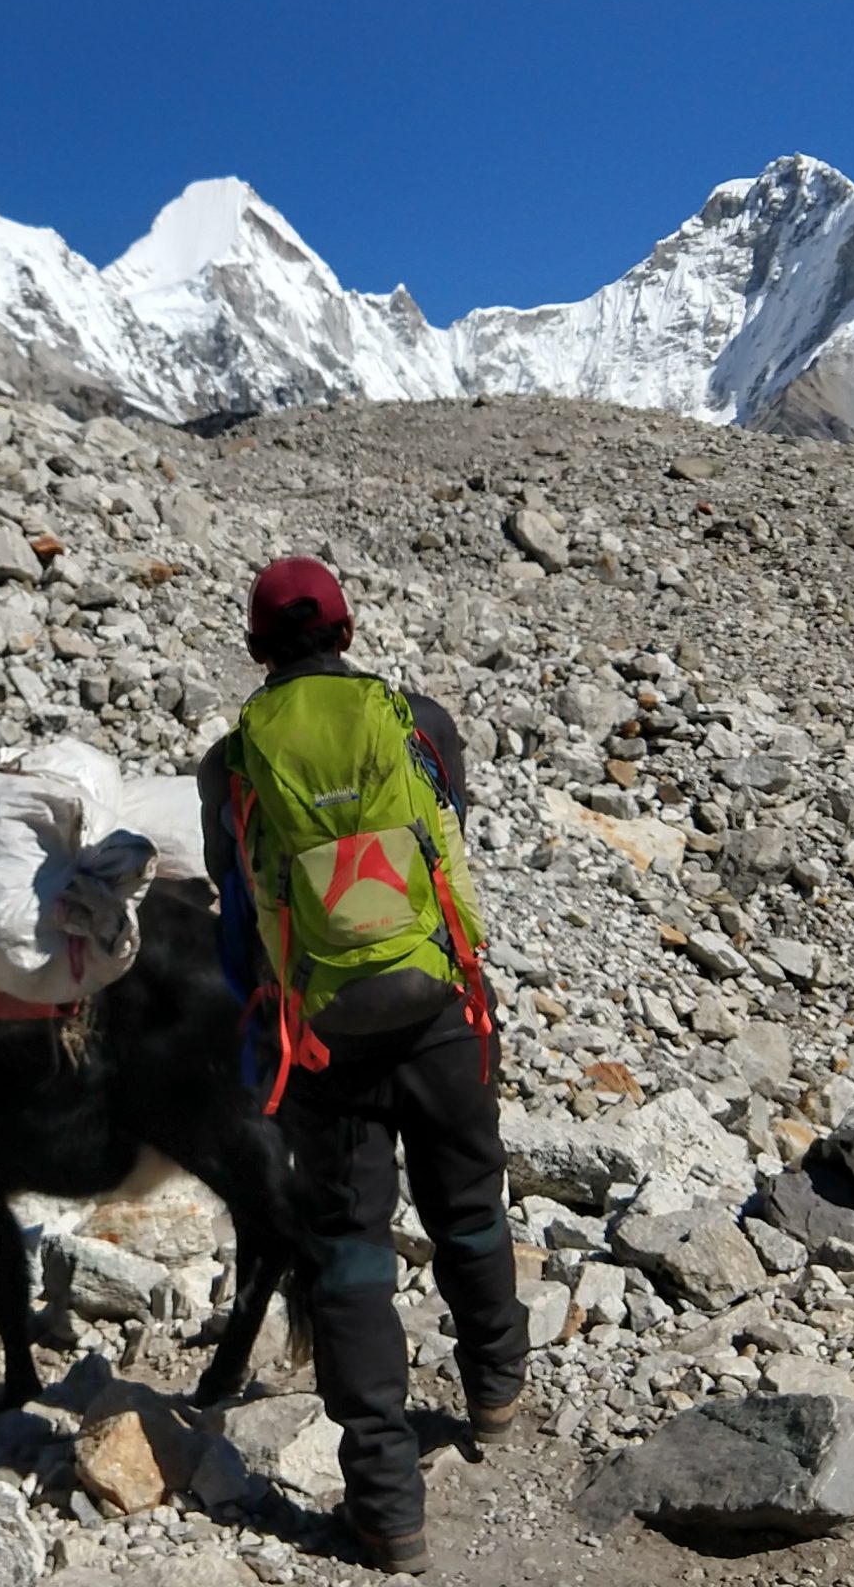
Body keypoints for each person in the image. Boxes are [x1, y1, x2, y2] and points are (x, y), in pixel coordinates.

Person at [198, 557, 529, 1578]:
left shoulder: (230, 763)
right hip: (439, 1008)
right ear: (346, 630)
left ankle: (387, 1511)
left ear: (257, 648)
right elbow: (450, 842)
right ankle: (496, 1391)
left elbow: (237, 922)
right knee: (468, 1203)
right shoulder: (420, 721)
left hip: (322, 1036)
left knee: (347, 1253)